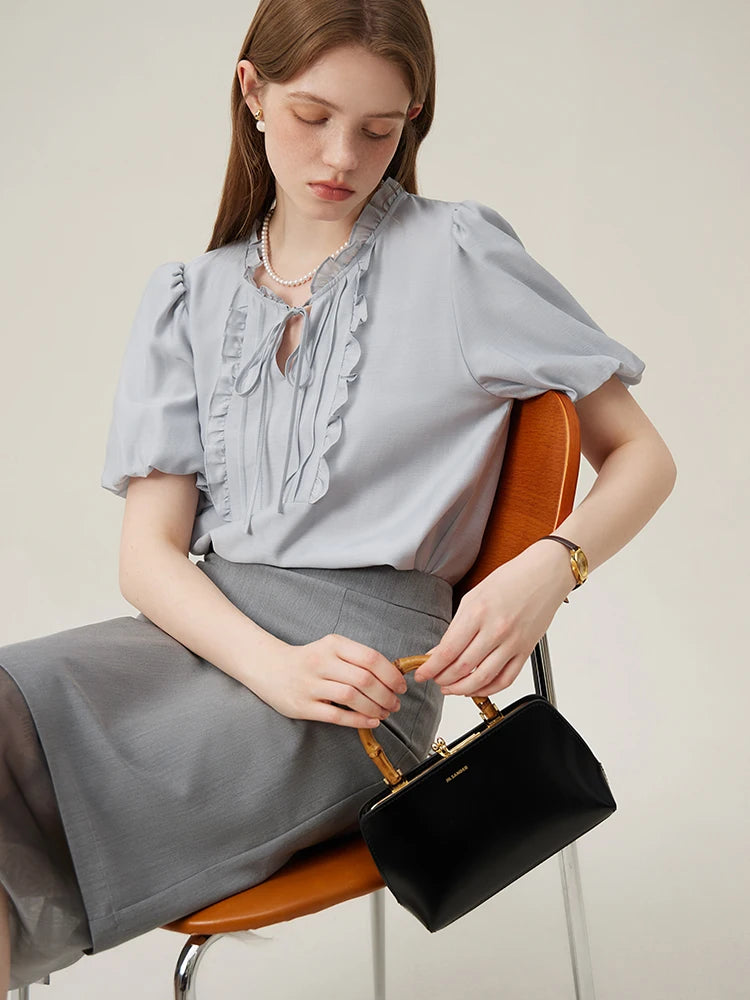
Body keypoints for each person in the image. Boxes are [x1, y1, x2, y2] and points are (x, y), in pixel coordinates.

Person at [0, 0, 677, 993]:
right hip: (204, 642)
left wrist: (552, 565)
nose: (341, 157)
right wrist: (269, 665)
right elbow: (147, 557)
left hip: (362, 686)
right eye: (312, 116)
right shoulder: (190, 295)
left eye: (378, 129)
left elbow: (644, 455)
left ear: (413, 119)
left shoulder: (459, 255)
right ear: (252, 91)